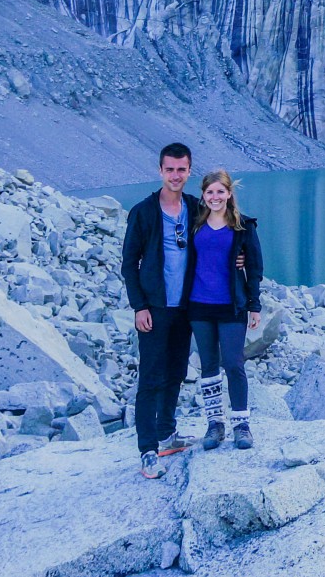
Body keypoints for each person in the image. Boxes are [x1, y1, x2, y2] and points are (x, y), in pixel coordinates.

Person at [120, 143, 202, 478]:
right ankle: (147, 450)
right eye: (170, 169)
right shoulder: (143, 212)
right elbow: (129, 263)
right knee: (151, 377)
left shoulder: (195, 208)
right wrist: (139, 306)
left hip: (184, 307)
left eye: (181, 169)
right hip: (155, 307)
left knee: (176, 372)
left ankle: (168, 433)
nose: (175, 175)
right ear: (160, 171)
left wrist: (241, 258)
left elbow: (219, 240)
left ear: (189, 171)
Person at [182, 169, 264, 451]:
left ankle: (241, 425)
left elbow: (254, 268)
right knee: (208, 366)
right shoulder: (195, 223)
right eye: (210, 192)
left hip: (232, 305)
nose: (215, 197)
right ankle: (215, 424)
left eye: (220, 191)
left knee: (233, 363)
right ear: (203, 196)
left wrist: (255, 306)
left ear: (229, 193)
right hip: (199, 305)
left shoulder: (243, 227)